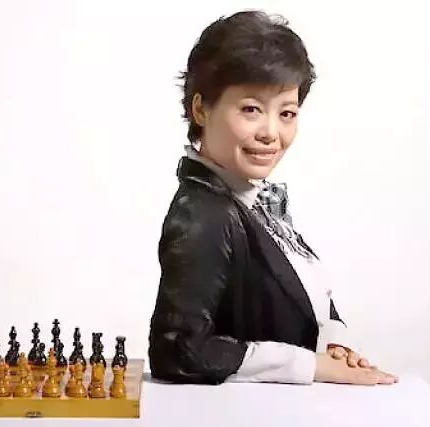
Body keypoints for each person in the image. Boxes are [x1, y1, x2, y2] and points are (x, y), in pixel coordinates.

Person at [148, 10, 398, 386]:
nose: (271, 132)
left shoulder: (250, 198)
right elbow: (177, 351)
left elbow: (294, 295)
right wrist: (311, 365)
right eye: (251, 109)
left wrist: (333, 342)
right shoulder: (203, 214)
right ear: (201, 109)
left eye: (287, 113)